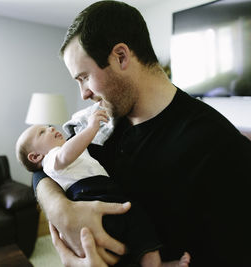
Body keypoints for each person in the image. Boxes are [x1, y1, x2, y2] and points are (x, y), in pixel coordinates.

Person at [32, 1, 251, 267]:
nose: (84, 94)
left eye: (84, 77)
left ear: (121, 57)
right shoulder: (99, 126)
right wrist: (59, 209)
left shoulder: (219, 147)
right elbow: (43, 164)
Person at [16, 109, 190, 267]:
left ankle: (155, 263)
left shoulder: (70, 149)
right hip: (89, 195)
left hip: (108, 191)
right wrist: (91, 128)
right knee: (131, 226)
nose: (51, 128)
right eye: (42, 132)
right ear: (35, 156)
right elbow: (65, 155)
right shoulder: (51, 160)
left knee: (138, 222)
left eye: (48, 126)